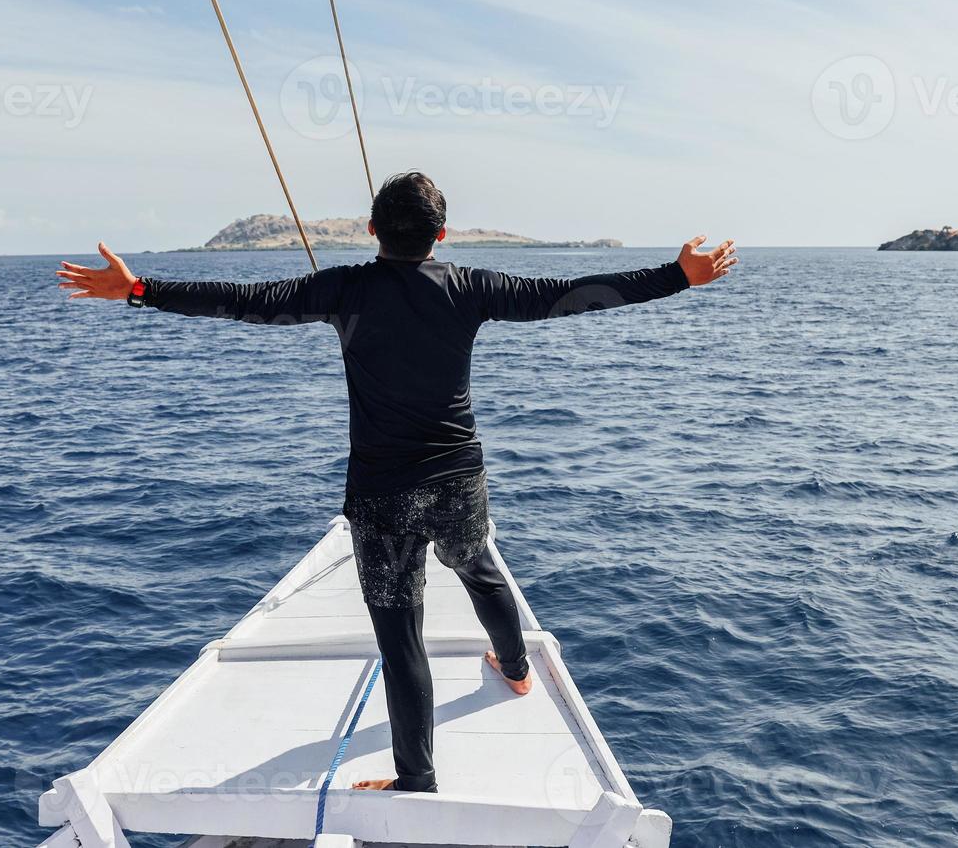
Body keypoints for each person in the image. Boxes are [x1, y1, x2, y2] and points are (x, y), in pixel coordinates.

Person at [57, 172, 736, 793]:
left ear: (372, 230)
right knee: (476, 564)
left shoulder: (345, 289)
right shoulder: (472, 286)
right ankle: (517, 670)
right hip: (458, 479)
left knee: (400, 632)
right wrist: (678, 275)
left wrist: (140, 289)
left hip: (381, 496)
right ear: (441, 236)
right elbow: (571, 296)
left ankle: (417, 779)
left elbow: (244, 301)